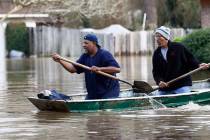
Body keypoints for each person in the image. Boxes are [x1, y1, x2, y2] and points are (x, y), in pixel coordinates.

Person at [52, 34, 120, 100]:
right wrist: (60, 60)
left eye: (86, 43)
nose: (83, 45)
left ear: (94, 43)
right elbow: (72, 69)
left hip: (109, 93)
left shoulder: (104, 54)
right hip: (93, 94)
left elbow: (117, 69)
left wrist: (99, 69)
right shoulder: (85, 57)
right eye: (83, 43)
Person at [152, 26, 209, 95]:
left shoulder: (178, 48)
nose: (157, 39)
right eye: (156, 37)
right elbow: (156, 72)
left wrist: (199, 65)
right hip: (166, 87)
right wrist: (160, 82)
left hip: (181, 85)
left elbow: (190, 60)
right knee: (158, 99)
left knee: (186, 99)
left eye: (159, 37)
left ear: (166, 37)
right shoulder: (156, 54)